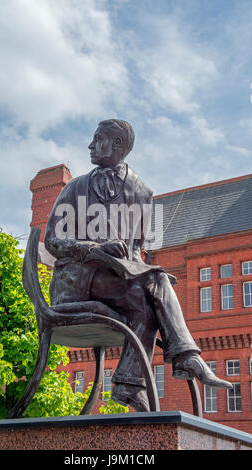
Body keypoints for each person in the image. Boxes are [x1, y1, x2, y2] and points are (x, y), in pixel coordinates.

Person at [44, 119, 232, 412]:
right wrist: (94, 248)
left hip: (117, 283)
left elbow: (136, 251)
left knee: (146, 298)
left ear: (118, 145)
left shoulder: (143, 193)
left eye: (98, 139)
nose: (90, 145)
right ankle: (181, 357)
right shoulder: (76, 188)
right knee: (156, 282)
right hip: (78, 282)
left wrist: (133, 265)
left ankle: (130, 385)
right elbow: (52, 239)